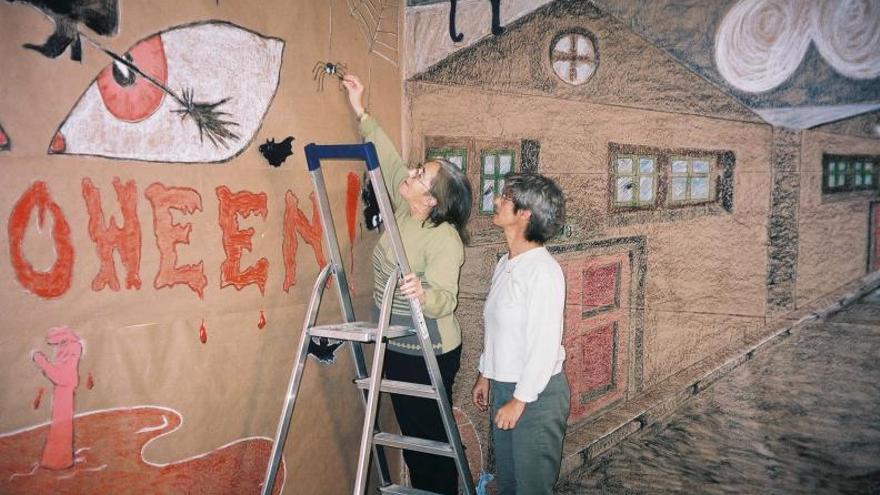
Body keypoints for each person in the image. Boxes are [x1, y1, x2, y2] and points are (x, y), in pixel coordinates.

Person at [342, 74, 472, 494]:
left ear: (431, 200)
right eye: (418, 169)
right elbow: (389, 157)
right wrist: (360, 108)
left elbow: (446, 300)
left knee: (432, 442)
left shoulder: (445, 238)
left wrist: (424, 293)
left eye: (421, 175)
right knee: (415, 444)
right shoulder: (404, 203)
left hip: (430, 348)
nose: (412, 173)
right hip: (397, 340)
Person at [471, 173, 569, 495]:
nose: (496, 201)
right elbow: (497, 329)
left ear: (525, 214)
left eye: (505, 198)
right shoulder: (506, 263)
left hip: (535, 396)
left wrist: (519, 400)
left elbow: (543, 346)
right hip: (506, 388)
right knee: (509, 485)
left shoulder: (543, 271)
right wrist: (487, 373)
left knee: (532, 489)